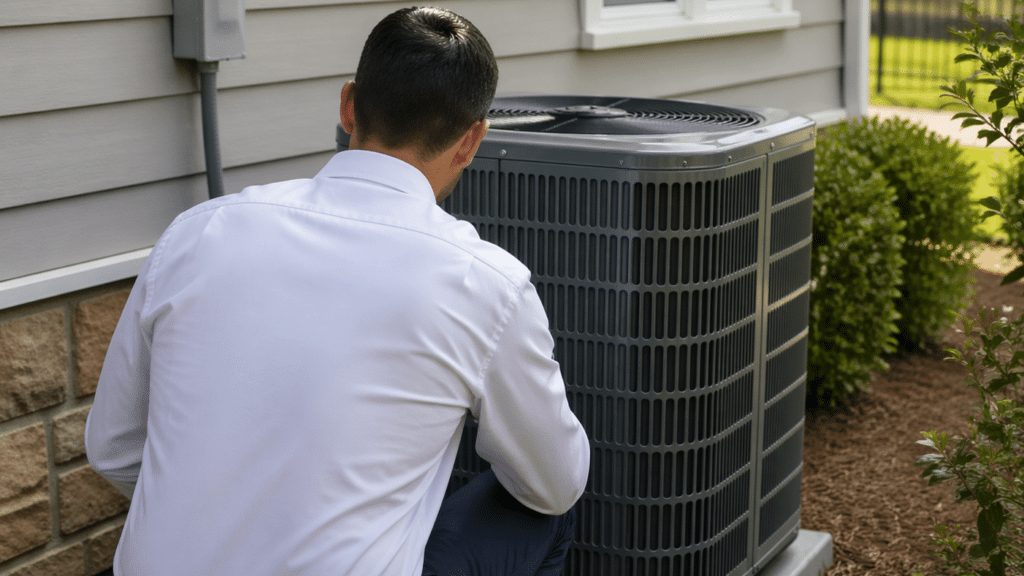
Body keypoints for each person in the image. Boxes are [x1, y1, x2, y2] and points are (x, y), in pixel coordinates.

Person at [84, 6, 590, 576]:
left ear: (348, 104)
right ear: (472, 141)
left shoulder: (197, 231)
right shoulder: (488, 285)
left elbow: (113, 450)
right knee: (548, 505)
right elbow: (554, 484)